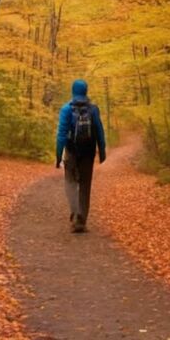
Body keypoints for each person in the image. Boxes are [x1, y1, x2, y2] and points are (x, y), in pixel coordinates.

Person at [55, 78, 107, 233]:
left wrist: (58, 156)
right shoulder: (93, 109)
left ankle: (75, 213)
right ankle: (81, 219)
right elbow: (99, 131)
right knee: (85, 185)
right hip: (88, 153)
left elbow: (61, 135)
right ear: (86, 91)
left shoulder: (66, 109)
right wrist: (102, 151)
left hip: (71, 151)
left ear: (73, 91)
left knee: (70, 183)